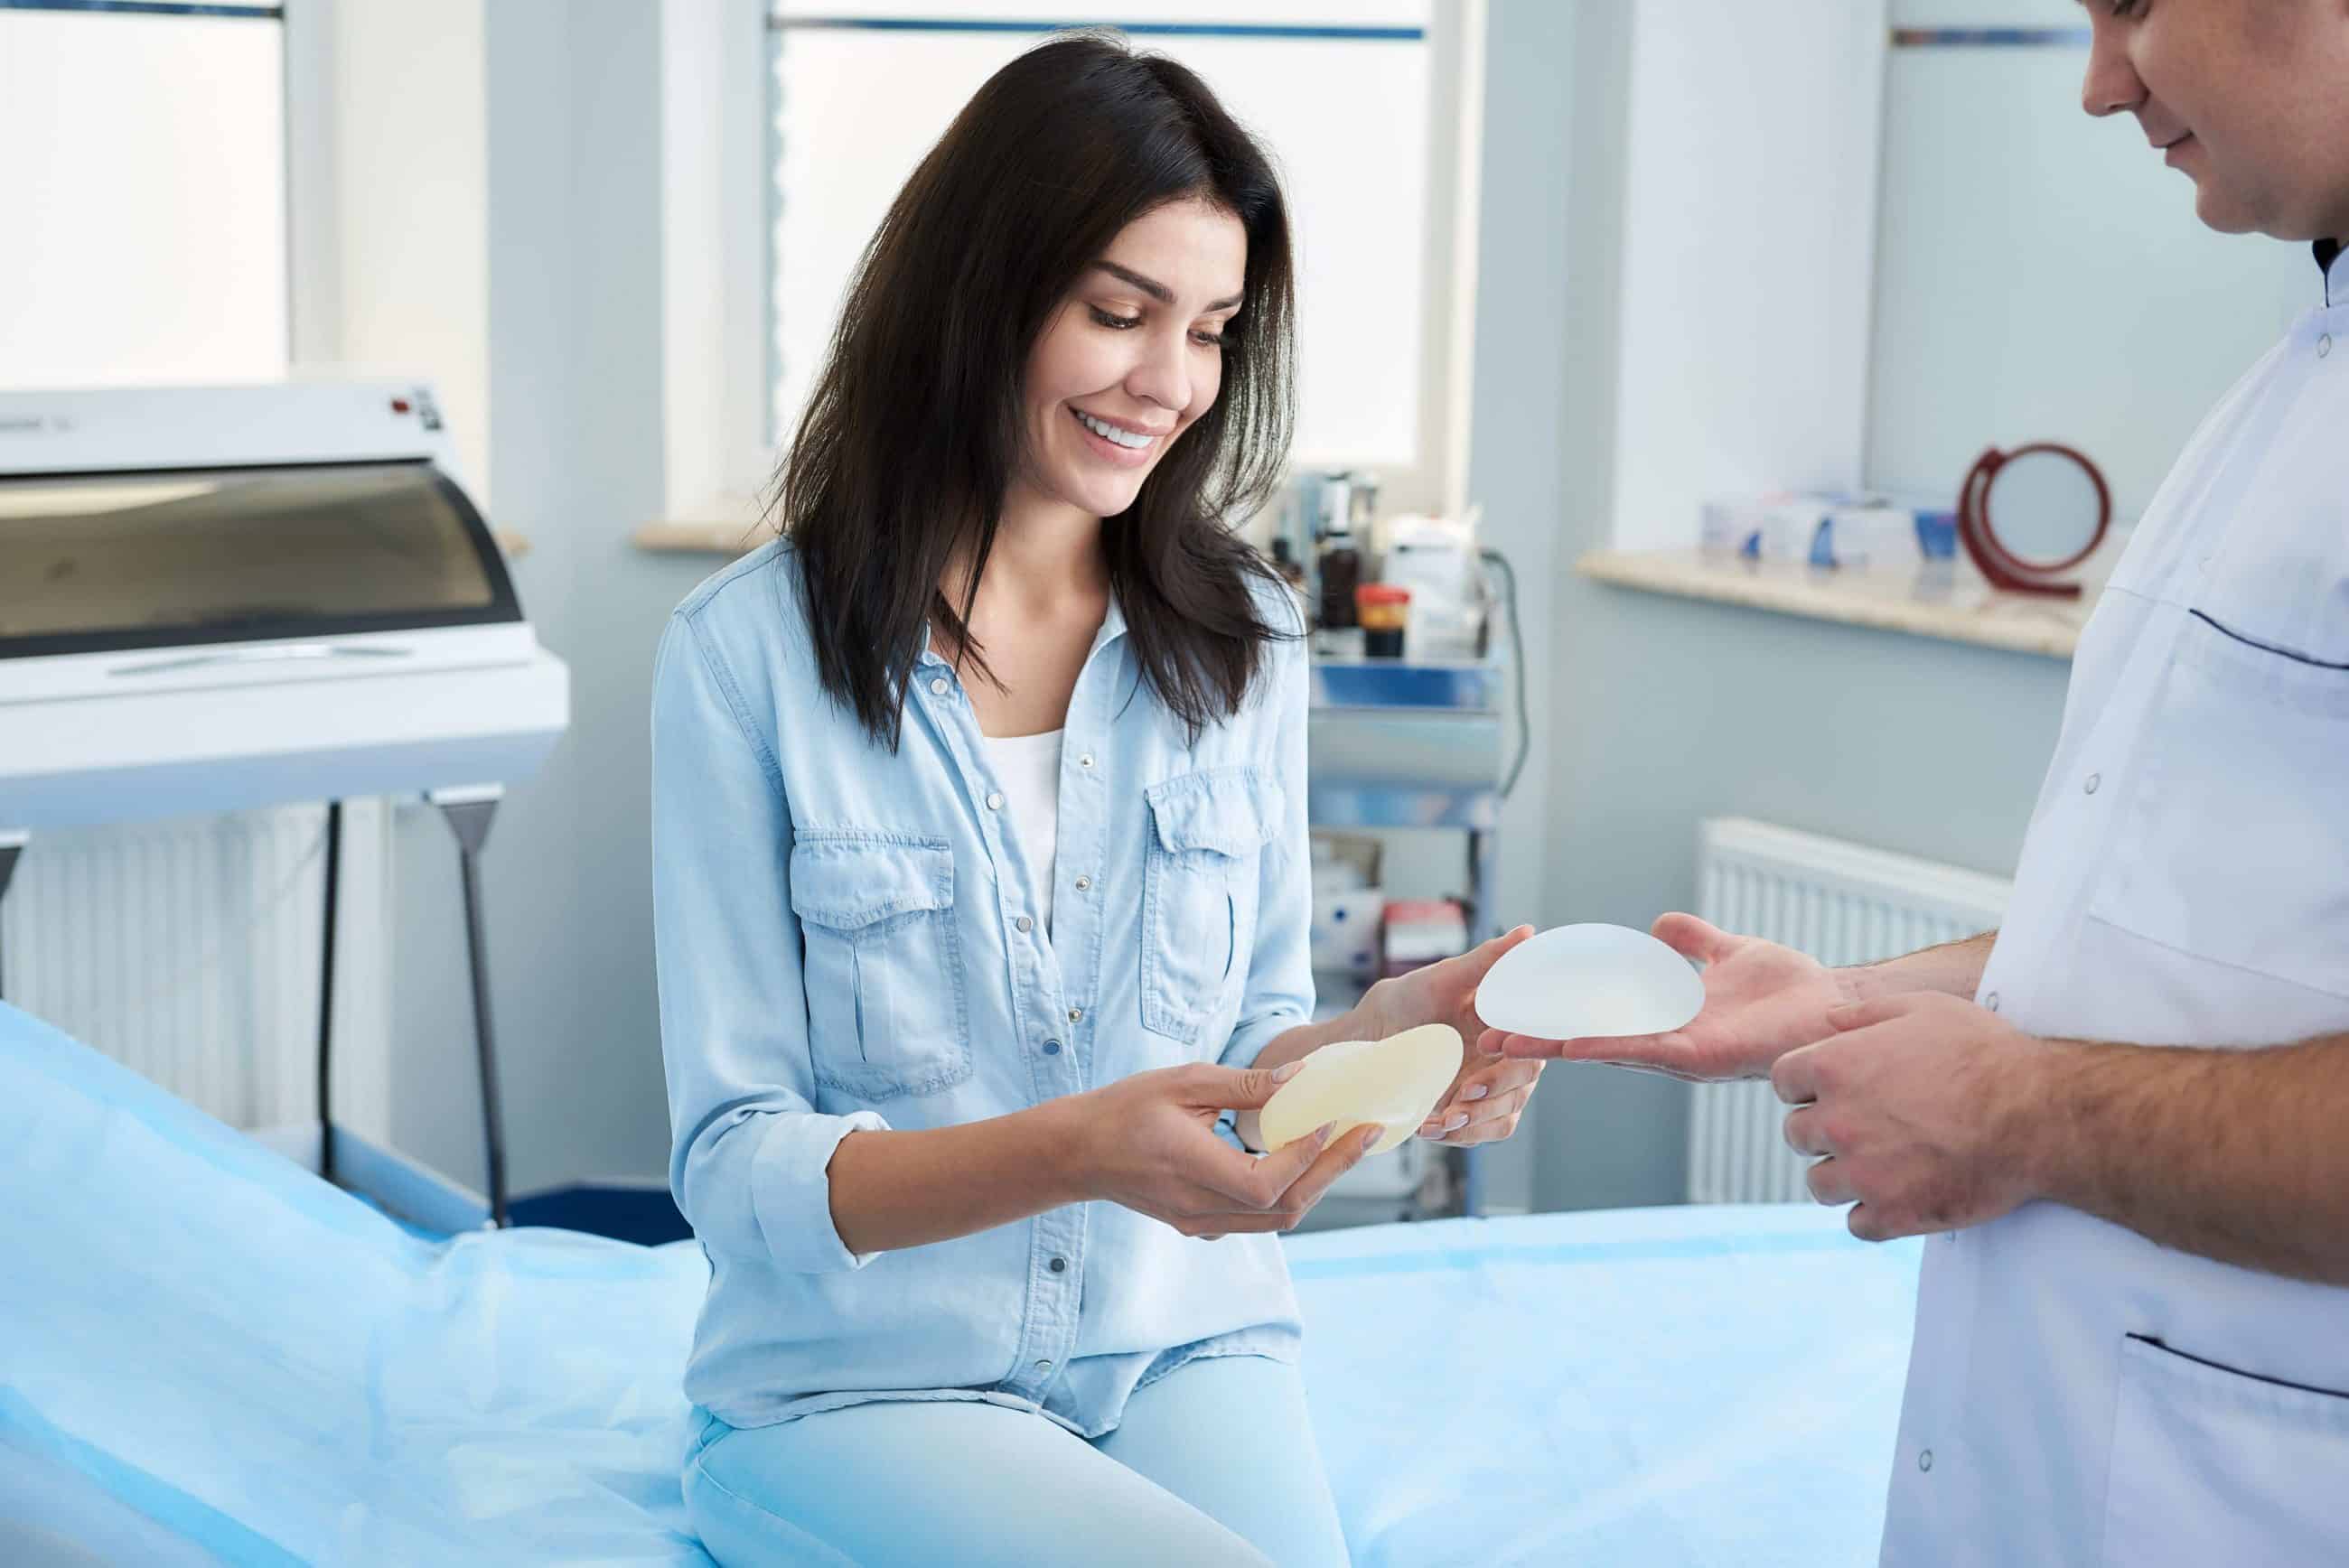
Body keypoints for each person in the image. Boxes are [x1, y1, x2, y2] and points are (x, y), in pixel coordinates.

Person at [651, 34, 1543, 1567]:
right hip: (862, 1387)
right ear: (977, 294)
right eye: (1117, 313)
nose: (1168, 383)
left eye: (1208, 330)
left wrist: (1380, 1040)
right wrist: (1073, 1147)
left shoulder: (1246, 641)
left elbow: (1254, 1036)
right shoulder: (747, 659)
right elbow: (738, 1166)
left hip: (1182, 1343)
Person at [1492, 4, 2349, 1561]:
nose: (2099, 85)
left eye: (2137, 6)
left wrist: (2025, 1116)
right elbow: (2197, 935)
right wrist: (1839, 1001)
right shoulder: (2300, 367)